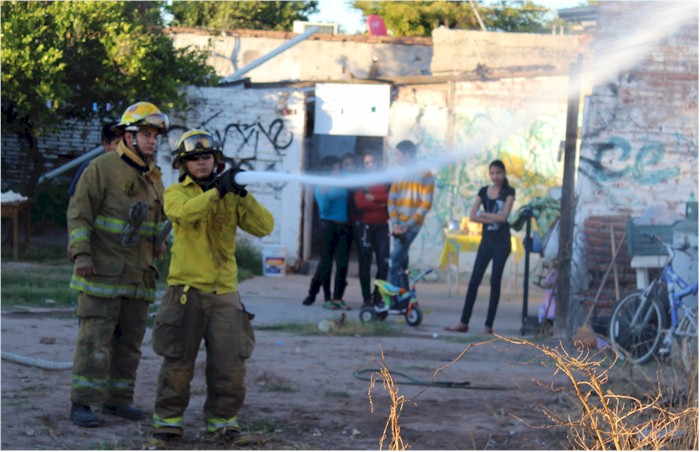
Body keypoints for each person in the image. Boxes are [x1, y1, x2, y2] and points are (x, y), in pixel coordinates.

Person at [149, 129, 273, 448]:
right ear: (183, 164)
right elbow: (184, 214)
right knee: (178, 362)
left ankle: (223, 423)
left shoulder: (231, 194)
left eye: (206, 157)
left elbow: (264, 227)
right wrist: (219, 190)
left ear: (215, 160)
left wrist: (242, 193)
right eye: (194, 158)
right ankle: (168, 425)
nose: (201, 162)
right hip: (186, 290)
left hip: (225, 293)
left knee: (230, 364)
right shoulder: (177, 193)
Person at [67, 101, 169, 428]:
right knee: (94, 341)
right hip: (103, 272)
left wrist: (160, 241)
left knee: (129, 346)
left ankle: (118, 400)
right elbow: (79, 214)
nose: (153, 141)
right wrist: (82, 254)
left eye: (155, 136)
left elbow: (156, 221)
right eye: (146, 134)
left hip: (139, 276)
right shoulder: (102, 168)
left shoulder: (154, 175)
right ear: (129, 135)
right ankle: (82, 403)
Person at [445, 160, 515, 335]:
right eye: (492, 173)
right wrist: (491, 218)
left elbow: (504, 217)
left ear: (504, 173)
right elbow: (472, 216)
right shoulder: (483, 191)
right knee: (474, 280)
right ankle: (463, 322)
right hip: (487, 240)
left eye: (498, 173)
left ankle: (488, 325)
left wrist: (484, 214)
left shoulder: (509, 192)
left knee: (495, 281)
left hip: (502, 242)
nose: (495, 176)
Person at [302, 156, 352, 310]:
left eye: (338, 168)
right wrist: (323, 195)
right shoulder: (321, 186)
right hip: (327, 227)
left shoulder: (343, 181)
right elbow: (324, 210)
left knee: (342, 263)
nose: (337, 171)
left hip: (343, 227)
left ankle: (337, 297)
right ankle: (327, 298)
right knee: (327, 264)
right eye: (334, 168)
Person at [66, 123, 122, 260]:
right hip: (95, 240)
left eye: (125, 143)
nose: (122, 148)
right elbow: (75, 208)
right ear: (106, 145)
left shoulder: (131, 170)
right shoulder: (91, 168)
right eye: (117, 143)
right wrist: (73, 243)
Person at [386, 140, 434, 290]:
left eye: (398, 155)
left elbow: (426, 204)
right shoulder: (398, 173)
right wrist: (395, 223)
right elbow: (391, 199)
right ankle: (403, 295)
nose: (396, 158)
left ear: (407, 155)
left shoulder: (425, 174)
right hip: (398, 225)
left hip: (412, 226)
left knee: (394, 260)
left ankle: (390, 297)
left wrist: (408, 225)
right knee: (401, 260)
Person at [354, 150, 390, 306]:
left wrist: (374, 198)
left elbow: (390, 199)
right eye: (366, 163)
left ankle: (377, 296)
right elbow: (360, 203)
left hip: (383, 227)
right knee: (365, 264)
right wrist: (380, 203)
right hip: (365, 227)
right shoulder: (360, 181)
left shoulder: (385, 180)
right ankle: (366, 299)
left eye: (372, 162)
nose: (370, 165)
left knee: (383, 264)